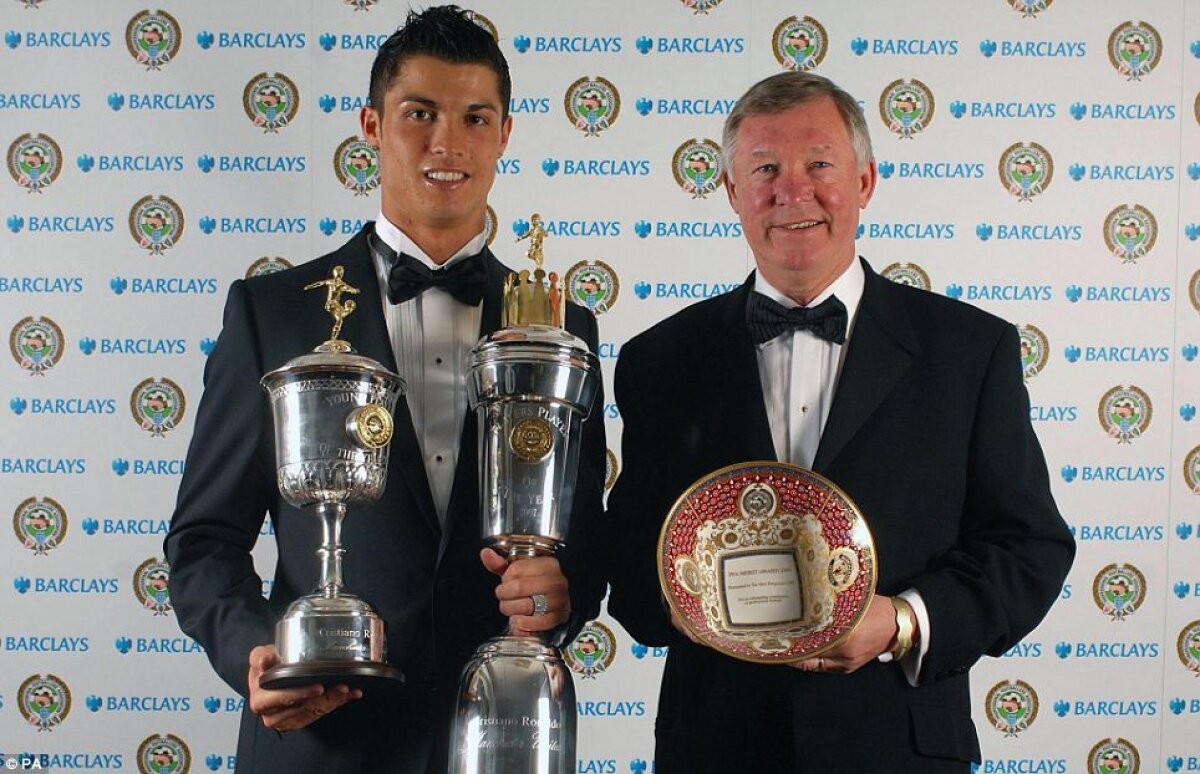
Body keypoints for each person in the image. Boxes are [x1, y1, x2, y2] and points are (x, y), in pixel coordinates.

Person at [165, 7, 606, 773]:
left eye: (475, 117)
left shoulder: (563, 327)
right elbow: (203, 542)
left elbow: (587, 534)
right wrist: (259, 652)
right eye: (419, 114)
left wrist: (565, 593)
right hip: (323, 741)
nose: (447, 143)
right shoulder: (272, 313)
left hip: (500, 737)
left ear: (505, 134)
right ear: (371, 125)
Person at [604, 71, 1074, 773]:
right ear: (731, 192)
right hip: (716, 750)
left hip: (899, 749)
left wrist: (899, 622)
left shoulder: (971, 351)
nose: (792, 191)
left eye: (819, 164)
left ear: (864, 180)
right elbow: (635, 568)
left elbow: (1029, 548)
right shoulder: (659, 360)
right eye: (764, 168)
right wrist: (690, 603)